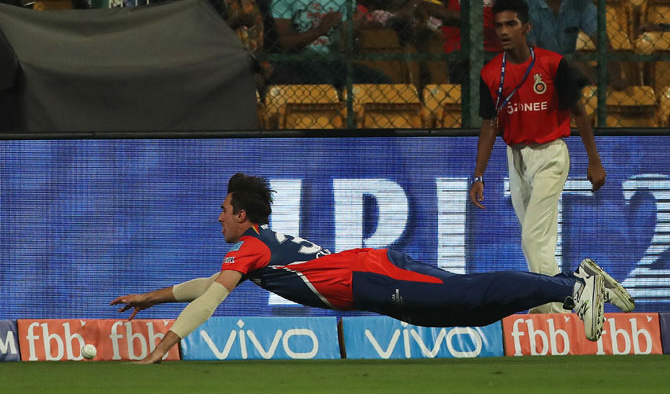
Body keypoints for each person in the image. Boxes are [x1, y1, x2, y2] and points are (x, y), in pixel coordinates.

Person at [111, 172, 635, 364]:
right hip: (374, 277)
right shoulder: (259, 248)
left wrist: (162, 347)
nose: (218, 215)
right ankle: (572, 283)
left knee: (470, 296)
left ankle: (571, 285)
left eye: (224, 208)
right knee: (470, 313)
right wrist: (150, 299)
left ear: (242, 215)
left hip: (373, 277)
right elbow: (210, 286)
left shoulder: (247, 246)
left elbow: (212, 298)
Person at [470, 0, 611, 314]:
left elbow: (579, 112)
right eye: (499, 26)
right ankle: (562, 299)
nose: (504, 31)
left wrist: (594, 159)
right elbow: (489, 125)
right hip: (516, 157)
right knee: (541, 239)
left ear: (526, 27)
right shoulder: (491, 73)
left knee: (532, 238)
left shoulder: (552, 64)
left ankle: (555, 306)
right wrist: (479, 175)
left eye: (511, 24)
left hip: (550, 154)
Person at [267, 0, 392, 86]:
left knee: (383, 81)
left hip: (334, 62)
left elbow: (343, 44)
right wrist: (319, 30)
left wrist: (354, 30)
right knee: (324, 83)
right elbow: (283, 44)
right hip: (299, 61)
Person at [520, 0, 625, 89]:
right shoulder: (526, 2)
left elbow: (600, 38)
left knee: (601, 75)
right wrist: (570, 62)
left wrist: (616, 76)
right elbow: (530, 52)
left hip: (570, 68)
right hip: (537, 71)